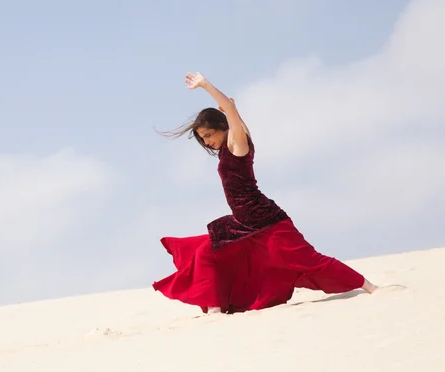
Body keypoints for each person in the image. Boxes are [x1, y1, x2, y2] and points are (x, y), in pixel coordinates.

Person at [152, 72, 378, 314]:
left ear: (223, 126)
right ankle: (215, 311)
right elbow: (231, 109)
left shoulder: (236, 142)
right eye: (202, 139)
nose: (206, 142)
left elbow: (229, 109)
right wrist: (232, 109)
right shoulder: (233, 139)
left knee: (310, 260)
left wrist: (207, 86)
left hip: (265, 219)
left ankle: (370, 287)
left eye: (208, 135)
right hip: (242, 221)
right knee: (205, 253)